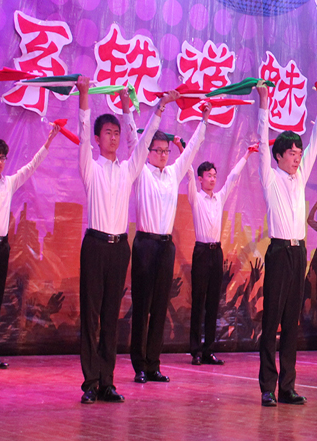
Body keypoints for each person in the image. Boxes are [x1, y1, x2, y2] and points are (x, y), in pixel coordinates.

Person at [77, 77, 177, 403]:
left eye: (117, 132)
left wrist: (156, 109)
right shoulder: (90, 167)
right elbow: (81, 134)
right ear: (98, 139)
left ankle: (107, 382)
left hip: (120, 247)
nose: (114, 137)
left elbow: (145, 140)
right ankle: (90, 383)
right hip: (95, 245)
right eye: (108, 132)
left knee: (111, 316)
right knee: (91, 315)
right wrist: (83, 96)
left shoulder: (129, 169)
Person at [256, 82, 317, 407]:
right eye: (292, 154)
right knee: (271, 320)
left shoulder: (300, 177)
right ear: (279, 156)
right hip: (279, 252)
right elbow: (262, 142)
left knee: (290, 322)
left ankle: (287, 386)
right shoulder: (270, 177)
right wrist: (264, 102)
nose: (298, 158)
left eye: (299, 154)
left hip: (299, 253)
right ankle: (267, 387)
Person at [131, 103, 209, 384]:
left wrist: (204, 119)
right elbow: (134, 138)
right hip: (145, 245)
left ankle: (153, 364)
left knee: (160, 306)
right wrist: (160, 108)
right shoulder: (140, 172)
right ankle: (139, 365)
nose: (164, 155)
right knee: (142, 307)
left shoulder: (174, 173)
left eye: (166, 151)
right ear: (148, 151)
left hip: (165, 247)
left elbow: (191, 150)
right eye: (158, 150)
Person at [0, 102, 59, 370]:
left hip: (0, 248)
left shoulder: (8, 183)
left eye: (3, 157)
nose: (0, 161)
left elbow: (30, 167)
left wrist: (49, 141)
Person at [186, 142, 253, 366]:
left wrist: (246, 155)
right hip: (201, 252)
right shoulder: (196, 198)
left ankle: (208, 350)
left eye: (215, 175)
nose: (213, 179)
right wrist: (183, 150)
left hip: (216, 254)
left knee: (214, 302)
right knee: (199, 301)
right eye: (209, 176)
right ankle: (195, 351)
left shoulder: (220, 197)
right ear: (200, 179)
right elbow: (188, 171)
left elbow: (233, 178)